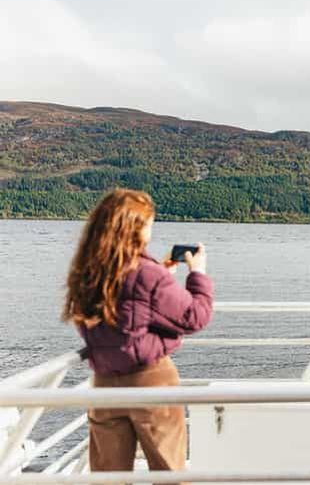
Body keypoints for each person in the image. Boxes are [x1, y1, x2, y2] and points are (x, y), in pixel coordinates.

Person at [62, 189, 213, 474]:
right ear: (134, 228)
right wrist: (198, 274)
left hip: (105, 384)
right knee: (169, 472)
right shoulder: (146, 274)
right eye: (148, 226)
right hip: (151, 381)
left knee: (108, 475)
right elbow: (195, 316)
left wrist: (160, 272)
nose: (150, 235)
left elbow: (124, 311)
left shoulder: (88, 271)